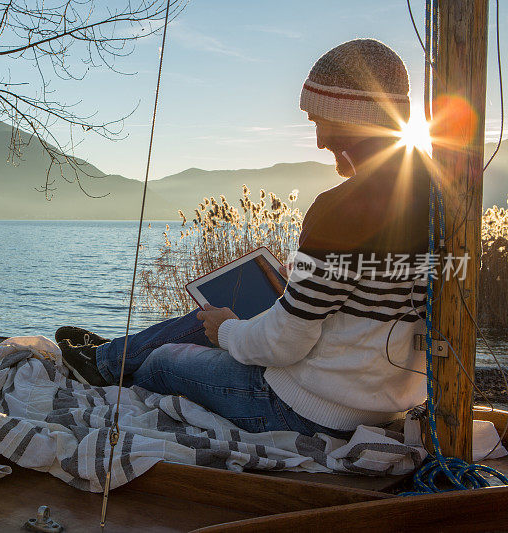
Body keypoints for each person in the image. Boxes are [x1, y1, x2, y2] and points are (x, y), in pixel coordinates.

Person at [57, 39, 430, 438]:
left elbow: (285, 345)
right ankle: (107, 358)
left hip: (308, 410)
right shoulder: (439, 200)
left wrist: (229, 332)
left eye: (318, 121)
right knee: (216, 313)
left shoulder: (341, 207)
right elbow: (373, 296)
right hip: (387, 405)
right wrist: (298, 288)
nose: (320, 141)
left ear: (347, 120)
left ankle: (108, 368)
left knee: (165, 360)